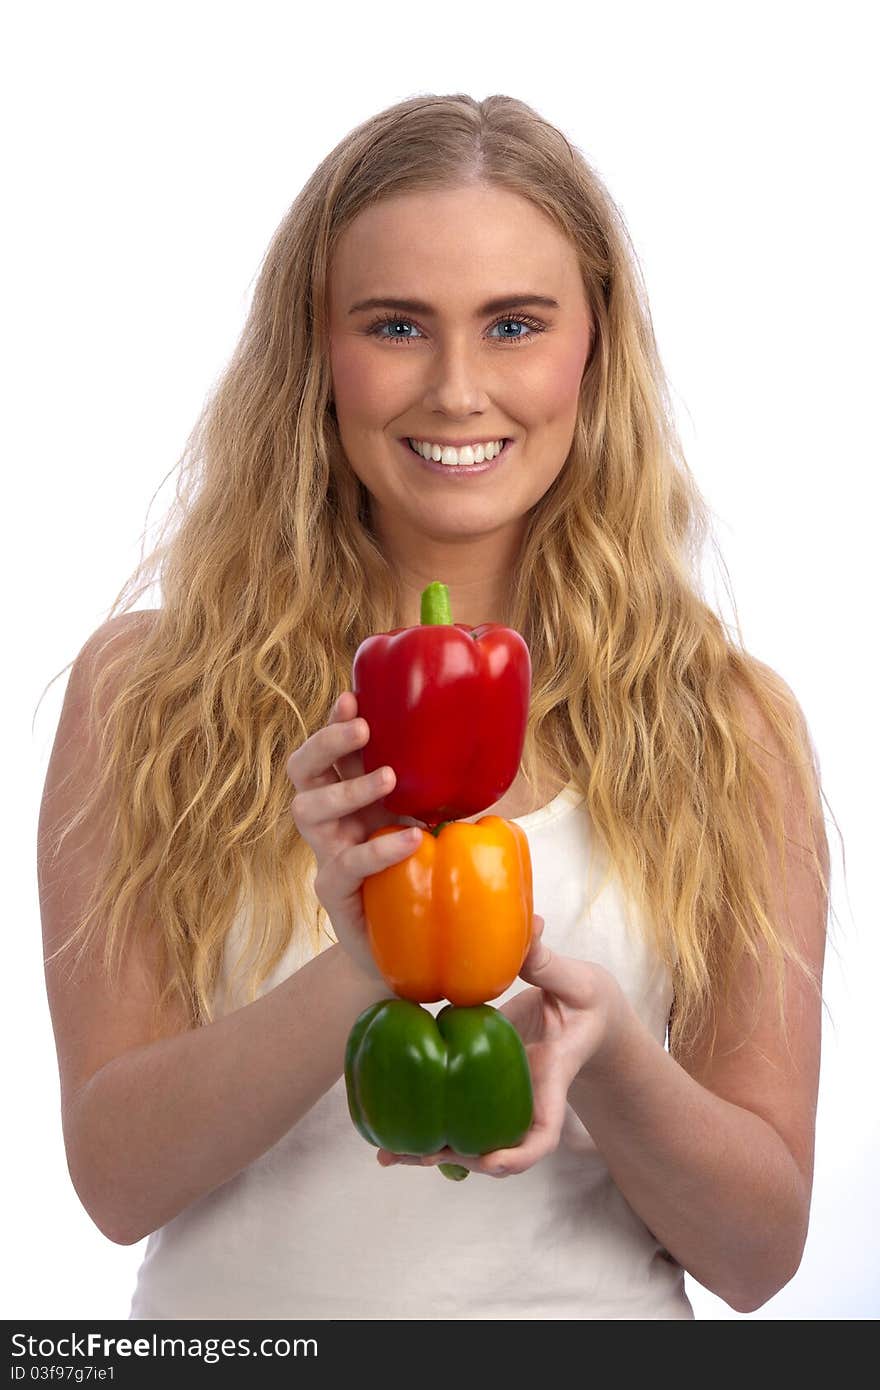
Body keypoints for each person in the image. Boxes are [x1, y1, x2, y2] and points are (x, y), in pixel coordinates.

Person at [37, 92, 832, 1321]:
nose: (459, 390)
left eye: (514, 324)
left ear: (594, 348)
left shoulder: (725, 725)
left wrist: (613, 1050)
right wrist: (364, 962)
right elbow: (115, 1179)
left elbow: (757, 1254)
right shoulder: (149, 696)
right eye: (397, 324)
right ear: (319, 349)